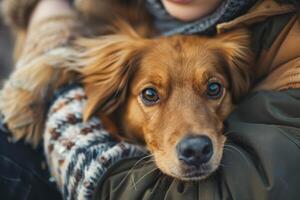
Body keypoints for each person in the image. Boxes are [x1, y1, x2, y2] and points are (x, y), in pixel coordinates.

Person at [1, 0, 300, 199]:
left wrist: (74, 137)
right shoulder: (101, 15)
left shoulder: (281, 44)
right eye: (151, 94)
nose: (191, 135)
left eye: (212, 90)